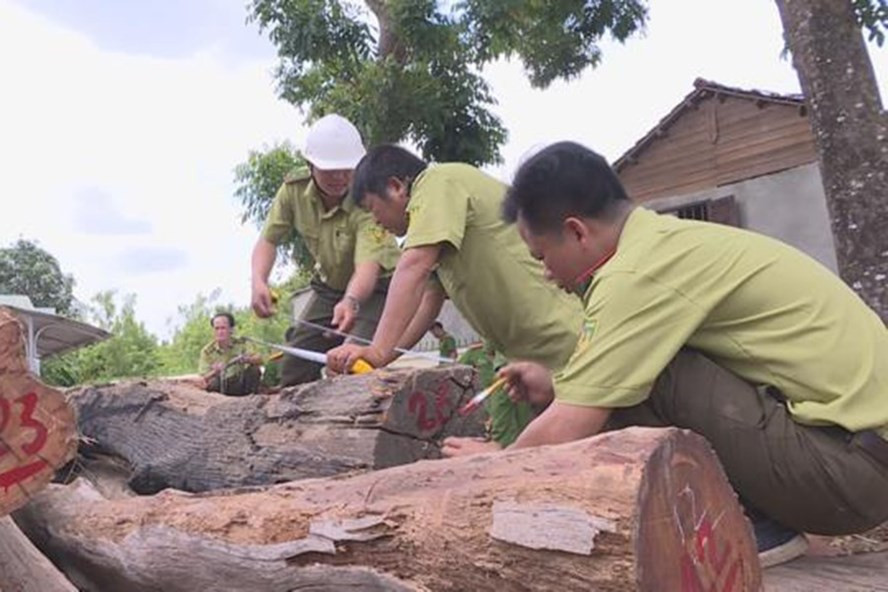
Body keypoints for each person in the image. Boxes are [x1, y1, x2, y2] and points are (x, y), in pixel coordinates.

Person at [490, 140, 888, 566]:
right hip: (857, 458)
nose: (547, 274)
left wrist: (488, 470)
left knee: (650, 375)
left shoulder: (636, 273)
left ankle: (751, 526)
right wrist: (557, 386)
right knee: (630, 372)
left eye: (543, 256)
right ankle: (762, 521)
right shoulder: (667, 244)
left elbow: (574, 421)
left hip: (850, 475)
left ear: (576, 232)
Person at [326, 145, 584, 451]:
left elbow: (413, 267)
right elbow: (427, 303)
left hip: (560, 339)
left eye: (373, 208)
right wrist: (379, 358)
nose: (377, 221)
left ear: (396, 187)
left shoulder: (438, 183)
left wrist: (377, 349)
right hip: (530, 361)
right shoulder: (438, 228)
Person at [250, 114, 401, 385]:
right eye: (330, 170)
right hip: (329, 290)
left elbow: (368, 267)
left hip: (378, 290)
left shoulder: (368, 198)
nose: (340, 178)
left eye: (347, 170)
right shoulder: (292, 191)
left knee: (352, 362)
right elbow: (268, 240)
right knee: (294, 366)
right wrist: (259, 281)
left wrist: (351, 301)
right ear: (310, 166)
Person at [198, 312, 262, 396]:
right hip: (221, 385)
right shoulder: (207, 351)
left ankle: (251, 397)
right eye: (217, 328)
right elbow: (202, 378)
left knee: (254, 370)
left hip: (239, 381)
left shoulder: (241, 343)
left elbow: (259, 359)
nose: (220, 332)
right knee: (212, 383)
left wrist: (248, 359)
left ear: (231, 329)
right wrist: (215, 371)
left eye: (223, 328)